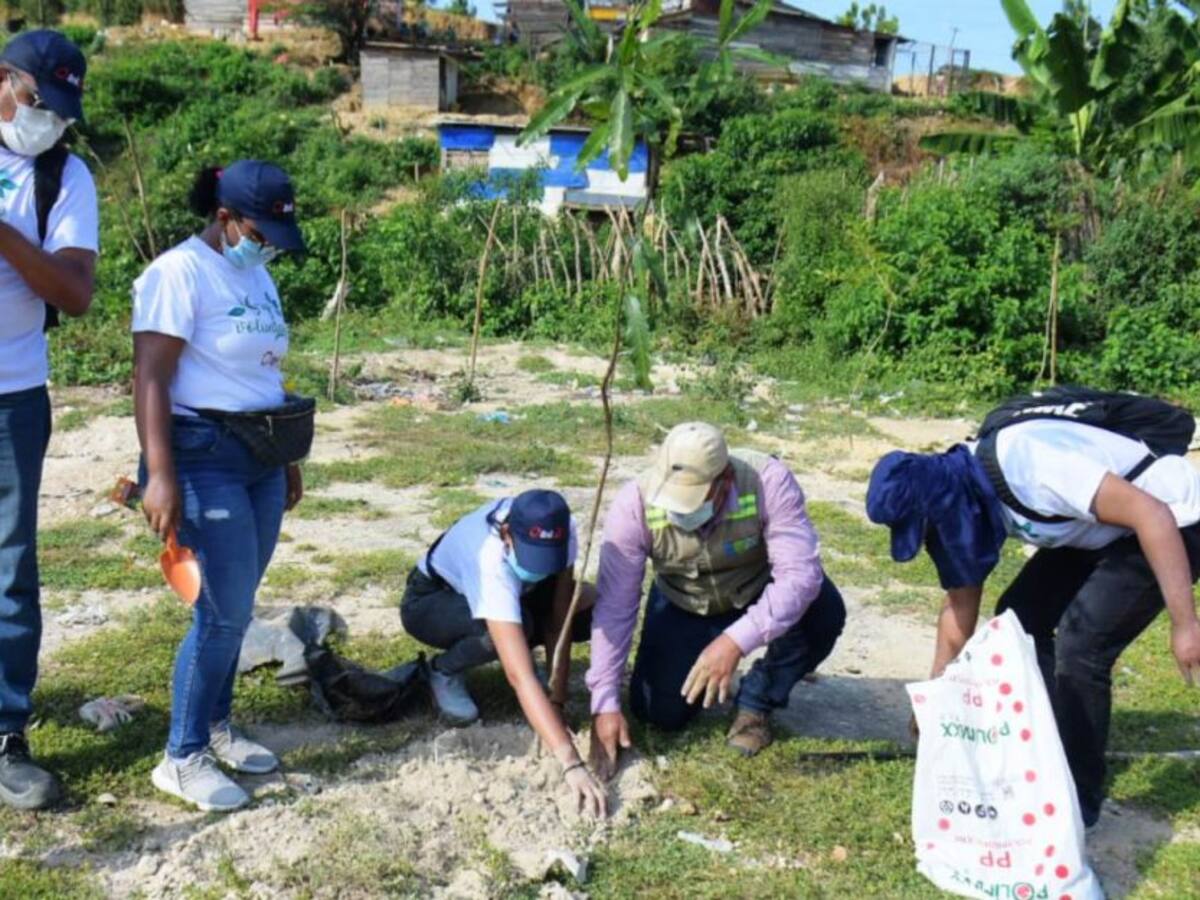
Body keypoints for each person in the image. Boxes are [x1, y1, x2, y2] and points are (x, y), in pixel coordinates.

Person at [866, 390, 1200, 828]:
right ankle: (1045, 751)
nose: (935, 540)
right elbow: (958, 613)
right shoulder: (964, 501)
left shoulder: (1029, 465)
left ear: (941, 506)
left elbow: (1152, 514)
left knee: (1083, 647)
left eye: (928, 530)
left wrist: (1185, 625)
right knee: (1019, 619)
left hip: (1175, 521)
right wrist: (936, 703)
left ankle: (1077, 799)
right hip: (1097, 530)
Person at [133, 160, 308, 812]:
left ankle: (216, 728)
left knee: (240, 602)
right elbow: (150, 377)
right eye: (259, 233)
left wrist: (285, 455)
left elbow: (264, 371)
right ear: (226, 218)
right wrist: (160, 473)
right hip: (201, 455)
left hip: (260, 456)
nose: (266, 248)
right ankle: (181, 756)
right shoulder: (177, 273)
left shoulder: (255, 274)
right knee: (220, 611)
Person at [587, 422, 846, 778]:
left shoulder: (766, 481)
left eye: (692, 500)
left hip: (757, 588)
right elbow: (615, 607)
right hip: (686, 601)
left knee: (823, 613)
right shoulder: (634, 503)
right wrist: (603, 701)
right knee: (657, 713)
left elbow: (799, 577)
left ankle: (757, 701)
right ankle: (696, 670)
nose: (681, 512)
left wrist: (734, 642)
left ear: (724, 481)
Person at [0, 30, 98, 811]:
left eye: (61, 112)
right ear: (7, 80)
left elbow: (74, 292)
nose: (49, 122)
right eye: (40, 103)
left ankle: (5, 735)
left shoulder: (65, 175)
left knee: (8, 570)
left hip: (13, 395)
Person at [401, 490, 607, 817]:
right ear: (508, 534)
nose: (540, 568)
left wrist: (557, 701)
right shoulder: (489, 559)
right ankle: (443, 671)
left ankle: (538, 694)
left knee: (591, 605)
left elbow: (559, 620)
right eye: (532, 557)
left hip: (517, 595)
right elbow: (519, 676)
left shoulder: (563, 529)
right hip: (431, 602)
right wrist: (570, 762)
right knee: (504, 635)